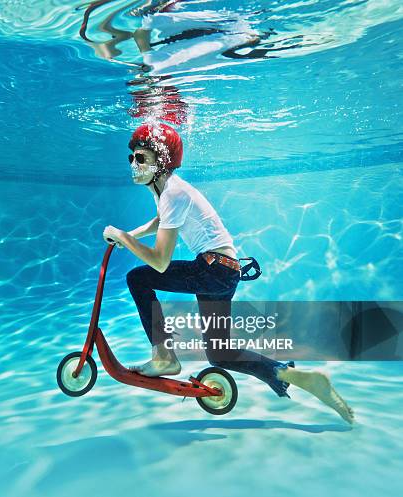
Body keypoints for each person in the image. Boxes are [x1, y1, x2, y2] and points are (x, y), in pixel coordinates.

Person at [103, 122, 355, 424]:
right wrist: (128, 235)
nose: (133, 164)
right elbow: (161, 222)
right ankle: (298, 377)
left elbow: (159, 261)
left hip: (211, 269)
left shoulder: (173, 193)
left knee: (138, 278)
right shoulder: (169, 191)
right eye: (131, 158)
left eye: (140, 158)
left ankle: (165, 356)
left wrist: (124, 237)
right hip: (224, 272)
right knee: (221, 355)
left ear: (162, 161)